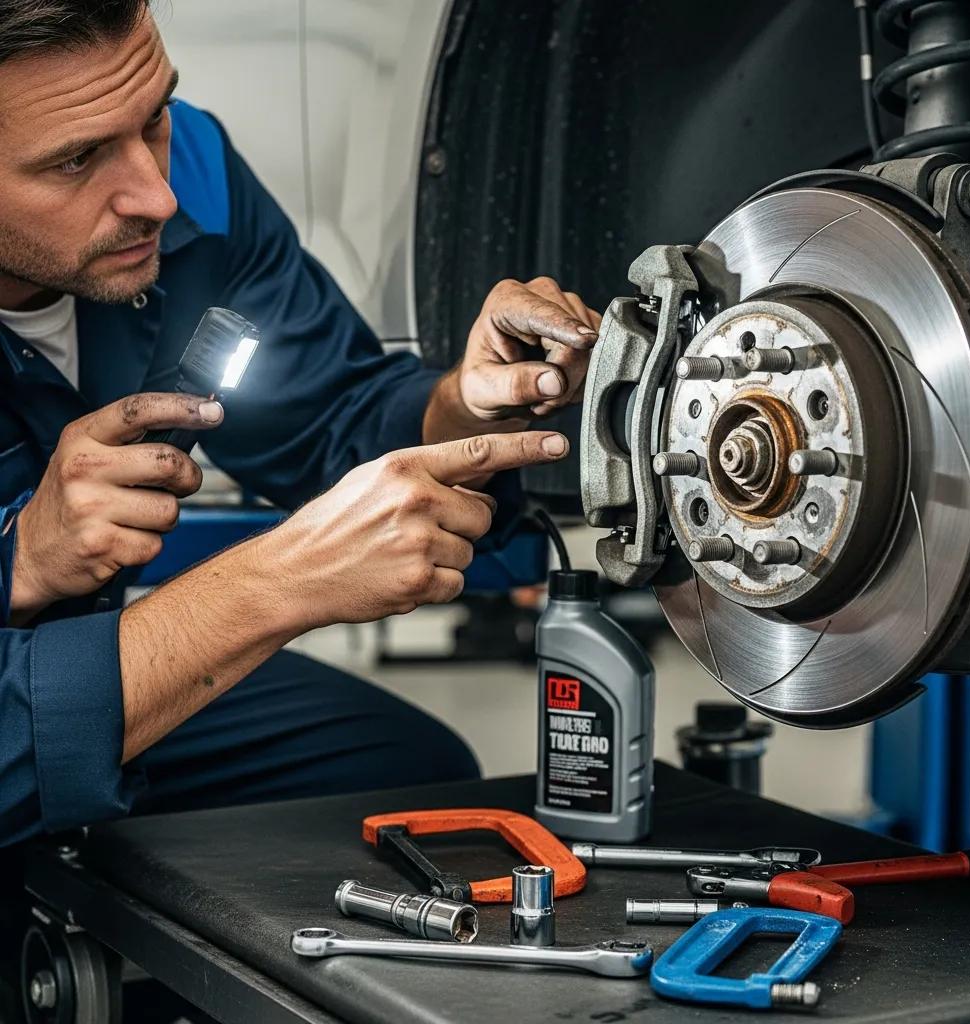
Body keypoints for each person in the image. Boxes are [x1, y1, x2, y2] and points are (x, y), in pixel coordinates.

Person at [0, 0, 601, 846]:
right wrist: (25, 560)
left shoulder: (196, 176)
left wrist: (464, 406)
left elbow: (328, 418)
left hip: (82, 665)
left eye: (155, 115)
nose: (157, 196)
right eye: (76, 159)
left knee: (405, 776)